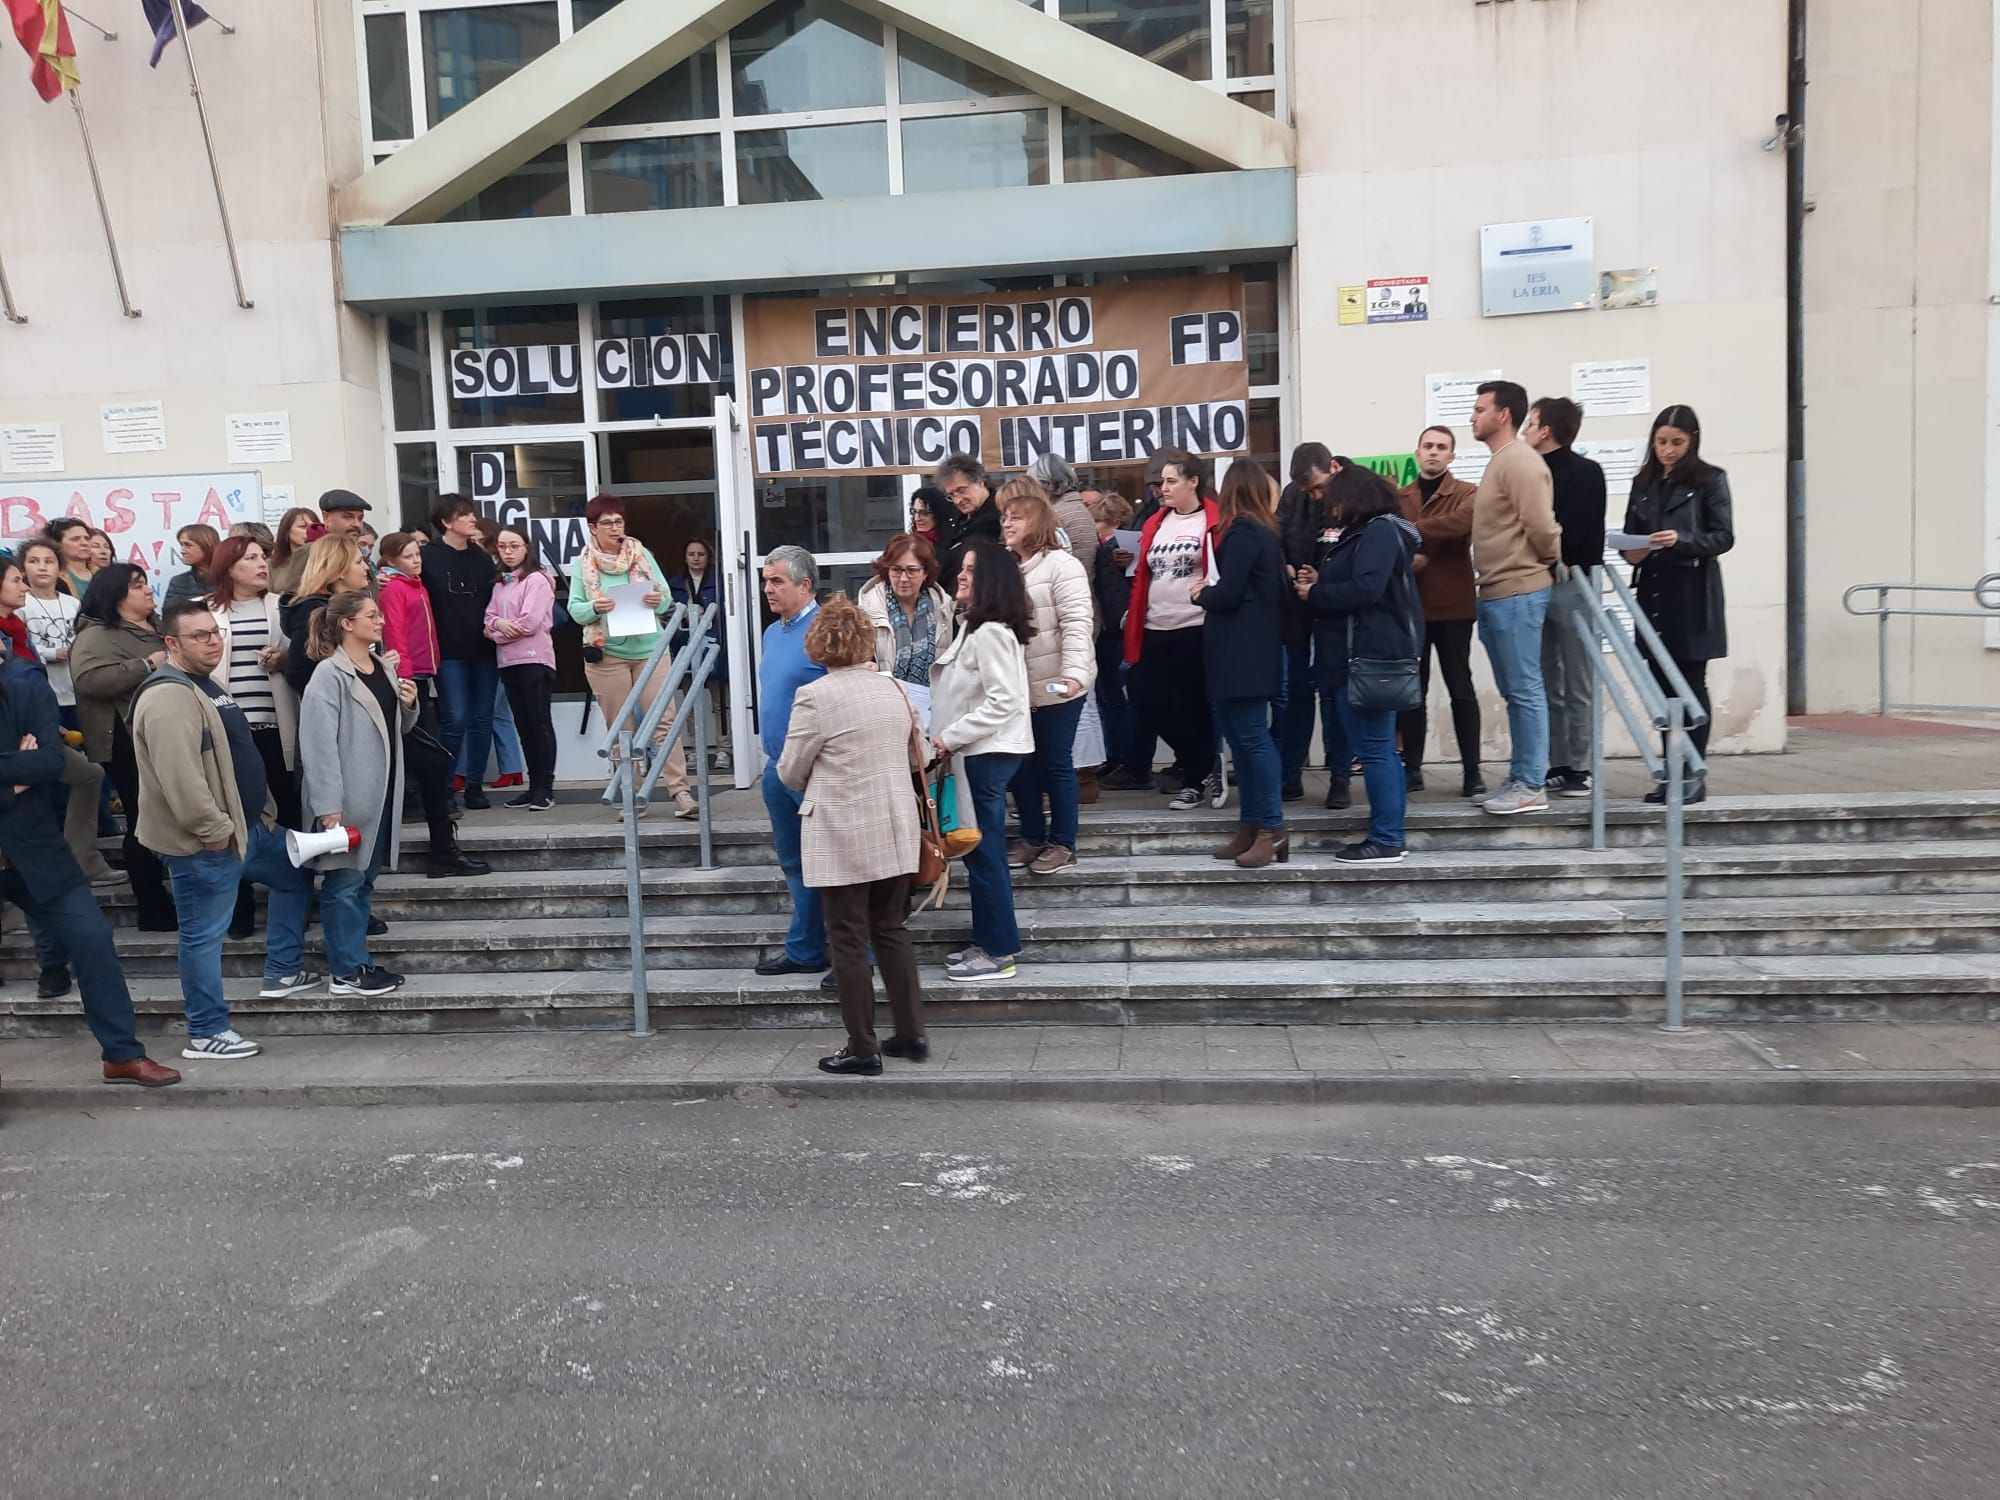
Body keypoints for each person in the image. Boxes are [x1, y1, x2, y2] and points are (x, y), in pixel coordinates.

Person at [131, 599, 322, 1060]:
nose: (212, 641)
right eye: (199, 636)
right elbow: (180, 777)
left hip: (250, 828)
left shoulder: (206, 685)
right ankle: (206, 1032)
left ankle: (282, 969)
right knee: (202, 937)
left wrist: (259, 817)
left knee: (295, 877)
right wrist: (212, 829)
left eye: (214, 632)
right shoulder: (169, 696)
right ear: (172, 643)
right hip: (208, 841)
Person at [0, 635, 180, 1087]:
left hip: (36, 851)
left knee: (94, 940)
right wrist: (10, 781)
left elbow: (48, 762)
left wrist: (26, 770)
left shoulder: (23, 688)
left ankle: (122, 1054)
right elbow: (28, 766)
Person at [776, 596, 930, 1075]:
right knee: (892, 931)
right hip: (895, 826)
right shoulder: (895, 691)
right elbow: (918, 756)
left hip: (842, 830)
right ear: (866, 641)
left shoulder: (815, 696)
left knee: (846, 938)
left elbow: (790, 770)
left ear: (818, 645)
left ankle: (863, 1048)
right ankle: (910, 1034)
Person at [1301, 467, 1423, 864]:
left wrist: (1316, 592)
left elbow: (1367, 589)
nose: (1331, 506)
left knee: (1375, 749)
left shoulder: (1378, 532)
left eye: (1335, 497)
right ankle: (1387, 833)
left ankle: (1387, 838)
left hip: (1367, 657)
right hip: (1353, 657)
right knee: (1376, 748)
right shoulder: (1369, 533)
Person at [298, 589, 416, 998]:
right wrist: (328, 806)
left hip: (379, 796)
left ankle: (357, 962)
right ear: (347, 624)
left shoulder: (382, 667)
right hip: (347, 801)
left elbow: (393, 731)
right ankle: (346, 971)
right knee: (344, 884)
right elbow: (317, 744)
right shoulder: (328, 675)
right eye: (371, 615)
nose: (380, 621)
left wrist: (410, 705)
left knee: (363, 881)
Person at [929, 541, 1033, 982]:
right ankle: (987, 941)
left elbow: (1004, 700)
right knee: (979, 853)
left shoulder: (989, 631)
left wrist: (948, 738)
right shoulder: (974, 627)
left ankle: (998, 951)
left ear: (992, 578)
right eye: (963, 567)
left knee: (985, 853)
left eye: (973, 569)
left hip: (985, 754)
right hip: (978, 753)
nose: (962, 574)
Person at [1622, 403, 1734, 804]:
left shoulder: (1709, 480)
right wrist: (1630, 551)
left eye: (1676, 443)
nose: (1667, 450)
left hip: (1691, 592)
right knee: (1662, 690)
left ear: (1692, 442)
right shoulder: (1644, 482)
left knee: (1690, 685)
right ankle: (1670, 772)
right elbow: (1632, 533)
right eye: (1661, 442)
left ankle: (1693, 773)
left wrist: (1681, 540)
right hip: (1654, 592)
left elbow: (1723, 537)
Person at [567, 495, 701, 820]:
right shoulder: (583, 564)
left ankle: (680, 792)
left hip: (650, 651)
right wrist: (593, 608)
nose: (616, 528)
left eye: (619, 522)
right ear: (592, 528)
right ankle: (631, 795)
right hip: (607, 655)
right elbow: (574, 608)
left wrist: (656, 599)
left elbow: (665, 596)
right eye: (608, 523)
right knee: (621, 728)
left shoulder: (640, 554)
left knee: (664, 721)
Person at [1468, 378, 1560, 817]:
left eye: (1480, 408)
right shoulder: (1501, 461)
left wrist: (1548, 558)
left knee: (1525, 690)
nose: (1473, 416)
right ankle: (1522, 774)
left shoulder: (1520, 462)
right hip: (1496, 591)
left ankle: (1530, 784)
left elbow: (1542, 526)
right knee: (1515, 690)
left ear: (1503, 415)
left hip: (1518, 590)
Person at [1, 553, 118, 889]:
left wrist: (47, 721)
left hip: (38, 726)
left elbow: (30, 683)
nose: (23, 585)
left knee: (89, 775)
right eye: (15, 579)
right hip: (13, 735)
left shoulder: (15, 628)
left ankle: (80, 861)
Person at [70, 564, 177, 929]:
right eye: (137, 586)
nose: (148, 590)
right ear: (116, 596)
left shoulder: (158, 625)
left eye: (147, 583)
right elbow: (88, 681)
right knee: (142, 821)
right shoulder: (97, 634)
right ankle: (152, 905)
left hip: (165, 736)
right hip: (125, 742)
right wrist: (146, 664)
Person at [999, 479, 1095, 875]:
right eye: (1004, 517)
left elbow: (1076, 624)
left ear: (1036, 523)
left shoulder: (1062, 566)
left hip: (1059, 683)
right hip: (1018, 687)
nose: (1007, 524)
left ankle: (1063, 843)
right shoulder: (1007, 569)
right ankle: (1033, 837)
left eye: (1016, 518)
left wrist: (1073, 675)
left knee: (1056, 763)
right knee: (1021, 764)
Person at [1195, 459, 1286, 868]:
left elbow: (1229, 593)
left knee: (1251, 738)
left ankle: (1271, 828)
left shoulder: (1245, 532)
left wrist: (1202, 594)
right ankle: (1251, 825)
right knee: (1242, 739)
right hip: (1241, 651)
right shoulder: (1258, 531)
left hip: (1244, 652)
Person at [1124, 448, 1220, 811]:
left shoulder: (1212, 518)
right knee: (1145, 696)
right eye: (1160, 482)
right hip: (1153, 625)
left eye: (1170, 481)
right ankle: (1202, 761)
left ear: (1193, 482)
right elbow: (1145, 572)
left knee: (1193, 704)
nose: (1161, 488)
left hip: (1194, 625)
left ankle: (1195, 777)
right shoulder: (1156, 522)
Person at [751, 545, 830, 978]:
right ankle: (806, 948)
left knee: (829, 862)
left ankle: (840, 950)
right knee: (794, 862)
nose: (768, 589)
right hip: (776, 765)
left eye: (776, 581)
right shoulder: (772, 632)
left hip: (818, 769)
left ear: (805, 585)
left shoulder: (825, 630)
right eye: (766, 581)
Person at [1524, 396, 1607, 798]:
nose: (1525, 430)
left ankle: (1581, 766)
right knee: (1543, 679)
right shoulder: (1528, 472)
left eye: (1531, 422)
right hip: (1534, 582)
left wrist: (1558, 554)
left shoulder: (1586, 472)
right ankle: (1557, 762)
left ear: (1547, 430)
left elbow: (1588, 534)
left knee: (1578, 680)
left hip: (1574, 582)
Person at [1395, 426, 1485, 799]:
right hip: (1410, 607)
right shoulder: (1399, 496)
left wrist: (1410, 530)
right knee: (1412, 692)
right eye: (1428, 446)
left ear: (1452, 456)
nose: (1434, 452)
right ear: (1417, 453)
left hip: (1453, 606)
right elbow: (1385, 537)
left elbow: (1461, 525)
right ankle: (1412, 768)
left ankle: (1472, 771)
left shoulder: (1468, 493)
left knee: (1460, 688)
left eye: (1441, 447)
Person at [1275, 443, 1354, 807]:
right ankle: (1290, 774)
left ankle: (1339, 776)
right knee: (1295, 693)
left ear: (1334, 469)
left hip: (1336, 609)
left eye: (1318, 488)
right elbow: (1278, 537)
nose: (1314, 496)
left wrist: (1324, 577)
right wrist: (1289, 566)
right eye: (1307, 491)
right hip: (1296, 605)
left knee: (1336, 696)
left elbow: (1361, 552)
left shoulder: (1356, 493)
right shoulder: (1293, 495)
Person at [204, 535, 300, 831]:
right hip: (228, 722)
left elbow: (303, 654)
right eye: (251, 558)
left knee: (284, 796)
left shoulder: (284, 604)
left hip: (274, 719)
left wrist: (283, 660)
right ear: (228, 567)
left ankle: (291, 869)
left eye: (263, 557)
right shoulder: (203, 609)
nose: (262, 564)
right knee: (235, 798)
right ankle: (242, 872)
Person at [423, 496, 501, 811]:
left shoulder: (482, 559)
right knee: (455, 718)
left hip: (484, 650)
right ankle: (445, 787)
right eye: (465, 515)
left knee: (483, 718)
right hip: (448, 651)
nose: (473, 519)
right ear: (446, 521)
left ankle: (474, 785)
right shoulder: (428, 557)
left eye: (472, 514)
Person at [485, 525, 559, 811]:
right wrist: (497, 625)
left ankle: (546, 788)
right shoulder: (501, 582)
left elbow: (528, 623)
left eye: (514, 545)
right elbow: (489, 617)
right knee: (524, 726)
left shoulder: (538, 579)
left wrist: (496, 631)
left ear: (526, 547)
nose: (508, 551)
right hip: (509, 662)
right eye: (502, 546)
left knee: (539, 724)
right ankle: (533, 785)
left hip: (534, 660)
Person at [856, 534, 953, 730]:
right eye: (896, 570)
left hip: (933, 717)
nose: (903, 578)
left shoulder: (945, 608)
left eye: (912, 570)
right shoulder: (866, 610)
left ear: (926, 572)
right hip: (884, 716)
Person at [1085, 492, 1144, 790]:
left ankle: (1124, 756)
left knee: (1116, 697)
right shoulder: (1107, 549)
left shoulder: (1122, 548)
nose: (1093, 526)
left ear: (1116, 523)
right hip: (1109, 629)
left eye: (1098, 521)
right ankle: (1115, 754)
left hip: (1116, 630)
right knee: (1109, 697)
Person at [666, 535, 730, 774]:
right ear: (684, 557)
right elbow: (667, 614)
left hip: (715, 645)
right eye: (691, 554)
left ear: (709, 557)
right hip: (685, 646)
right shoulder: (674, 584)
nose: (695, 558)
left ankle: (724, 748)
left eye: (700, 554)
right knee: (689, 703)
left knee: (720, 701)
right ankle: (694, 750)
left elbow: (727, 614)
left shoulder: (722, 581)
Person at [281, 536, 372, 698]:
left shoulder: (361, 603)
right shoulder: (313, 610)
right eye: (359, 562)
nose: (366, 567)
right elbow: (299, 671)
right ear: (340, 570)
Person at [933, 453, 1003, 598]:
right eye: (951, 495)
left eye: (961, 490)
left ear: (980, 481)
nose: (958, 500)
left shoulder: (999, 515)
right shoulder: (956, 518)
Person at [1024, 452, 1100, 579]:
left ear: (1047, 484)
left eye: (1034, 485)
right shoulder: (1076, 507)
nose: (1032, 492)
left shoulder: (1056, 514)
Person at [268, 506, 321, 598]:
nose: (309, 531)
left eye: (313, 527)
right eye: (303, 527)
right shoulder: (272, 564)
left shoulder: (325, 562)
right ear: (286, 532)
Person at [165, 524, 219, 608]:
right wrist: (200, 603)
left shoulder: (231, 579)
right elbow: (168, 613)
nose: (182, 551)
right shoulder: (178, 582)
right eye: (181, 545)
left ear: (206, 545)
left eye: (188, 545)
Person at [47, 517, 97, 598]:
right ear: (57, 544)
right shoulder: (53, 579)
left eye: (87, 538)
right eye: (75, 539)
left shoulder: (103, 574)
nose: (84, 543)